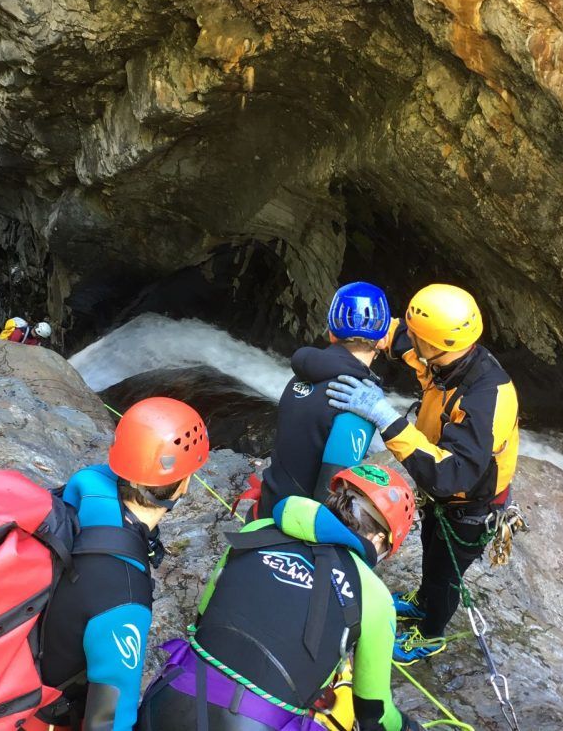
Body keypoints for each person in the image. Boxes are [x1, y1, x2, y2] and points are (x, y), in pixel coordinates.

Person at [138, 463, 421, 731]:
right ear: (379, 540)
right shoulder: (373, 594)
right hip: (254, 722)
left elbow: (202, 621)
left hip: (166, 701)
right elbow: (375, 716)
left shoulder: (256, 531)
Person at [327, 283, 519, 664]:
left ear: (436, 344)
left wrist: (387, 419)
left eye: (417, 336)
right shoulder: (446, 356)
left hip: (471, 504)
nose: (408, 338)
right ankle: (423, 599)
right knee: (432, 554)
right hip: (446, 500)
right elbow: (393, 333)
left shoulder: (487, 398)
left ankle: (431, 634)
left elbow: (452, 475)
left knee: (446, 573)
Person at [32, 397, 210, 730]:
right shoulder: (125, 598)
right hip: (42, 713)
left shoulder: (84, 485)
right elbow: (109, 720)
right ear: (184, 483)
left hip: (31, 646)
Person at [250, 282, 390, 519]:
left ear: (332, 333)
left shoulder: (301, 375)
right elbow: (331, 491)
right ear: (384, 339)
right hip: (294, 530)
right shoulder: (357, 402)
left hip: (265, 510)